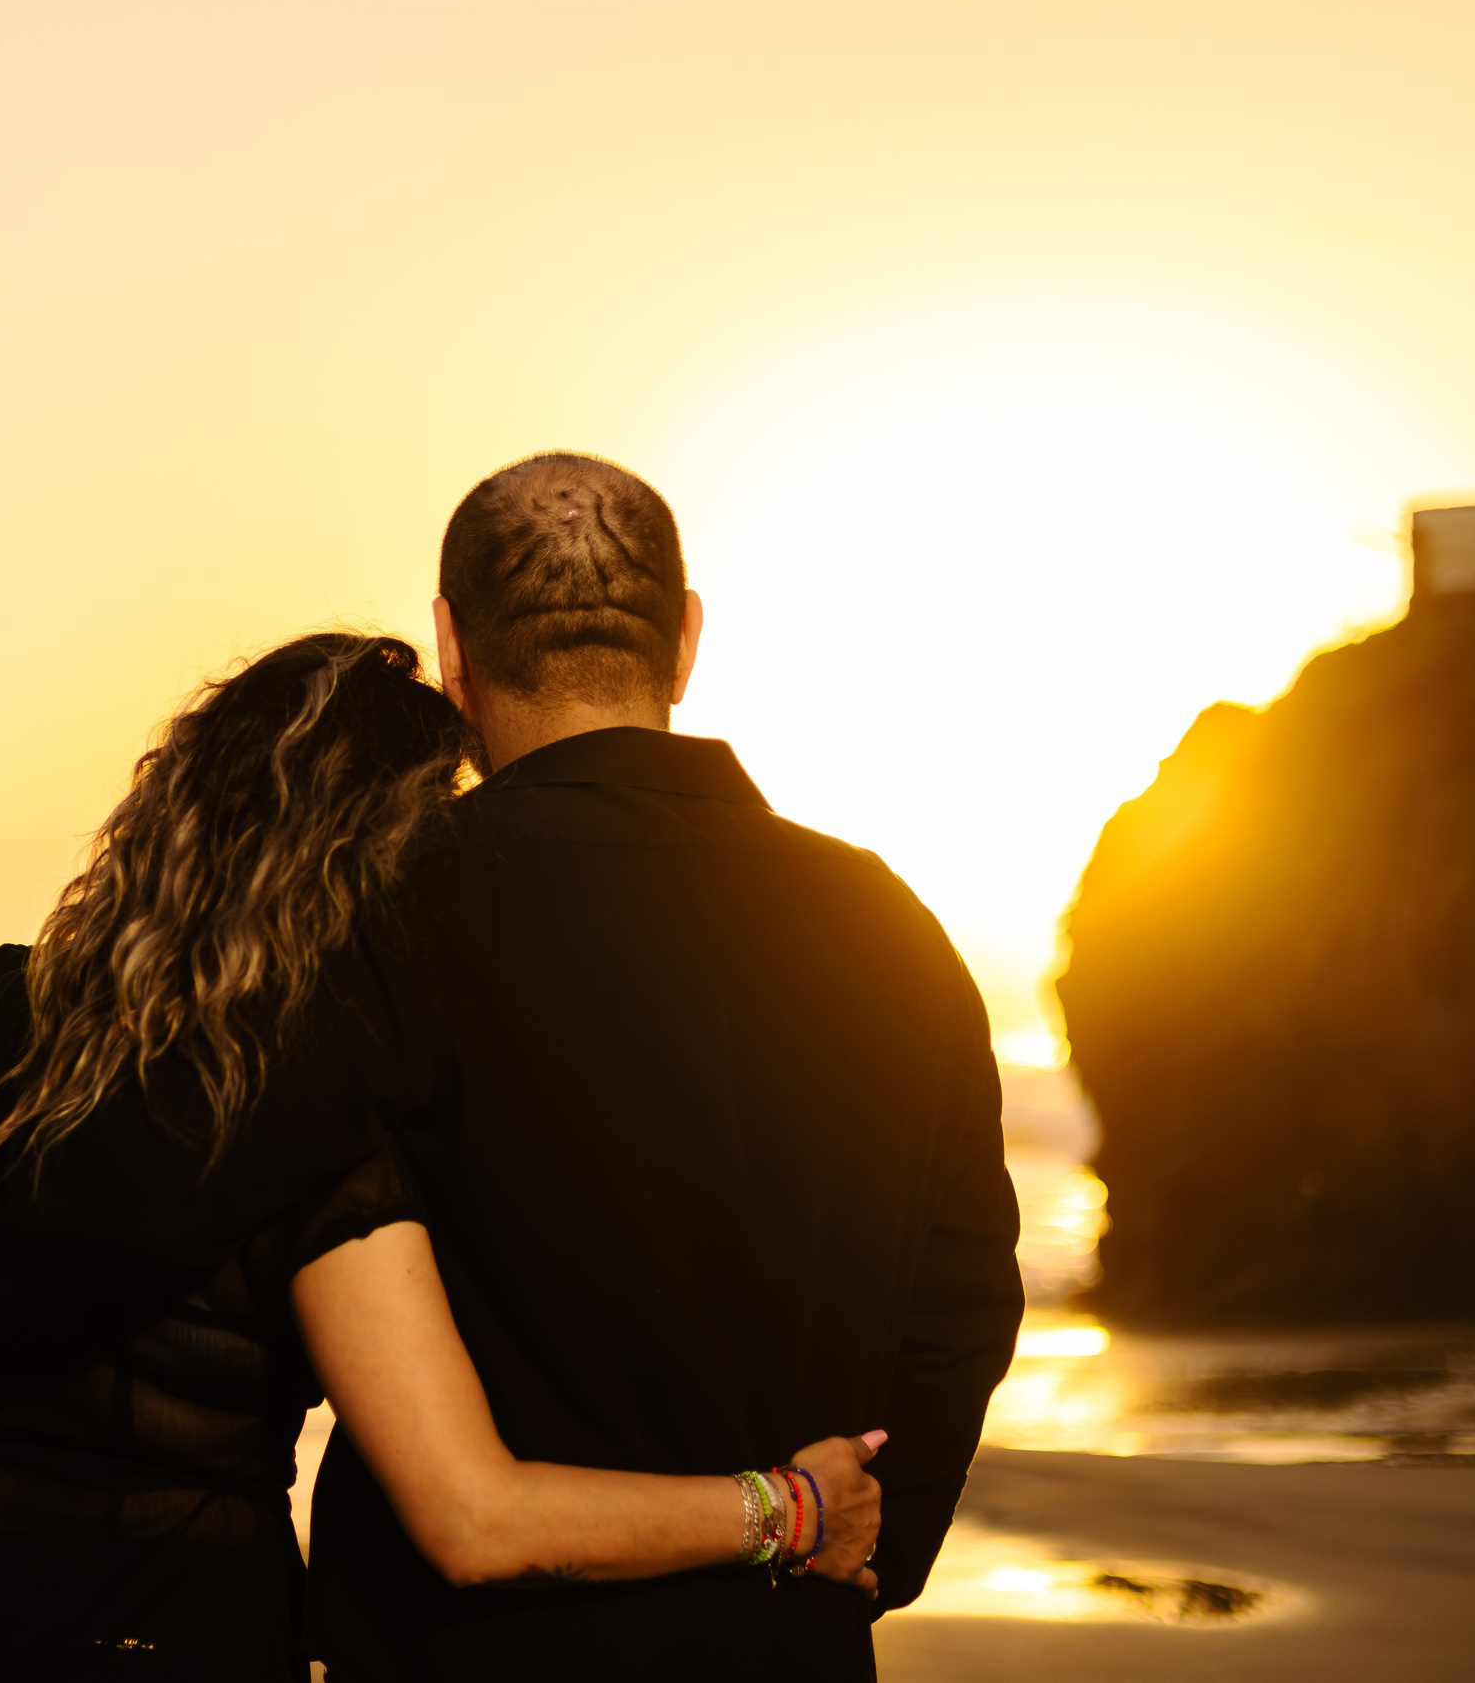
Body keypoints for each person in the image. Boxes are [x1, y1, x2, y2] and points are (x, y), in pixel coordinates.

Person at [0, 633, 886, 1682]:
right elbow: (476, 1521)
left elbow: (33, 1281)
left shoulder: (5, 1012)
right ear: (379, 869)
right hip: (153, 1628)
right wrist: (784, 1507)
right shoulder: (322, 1149)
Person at [304, 456, 1026, 1681]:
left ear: (451, 650)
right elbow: (962, 1296)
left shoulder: (378, 916)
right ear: (683, 640)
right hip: (783, 1641)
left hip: (465, 1654)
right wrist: (856, 1547)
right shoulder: (887, 925)